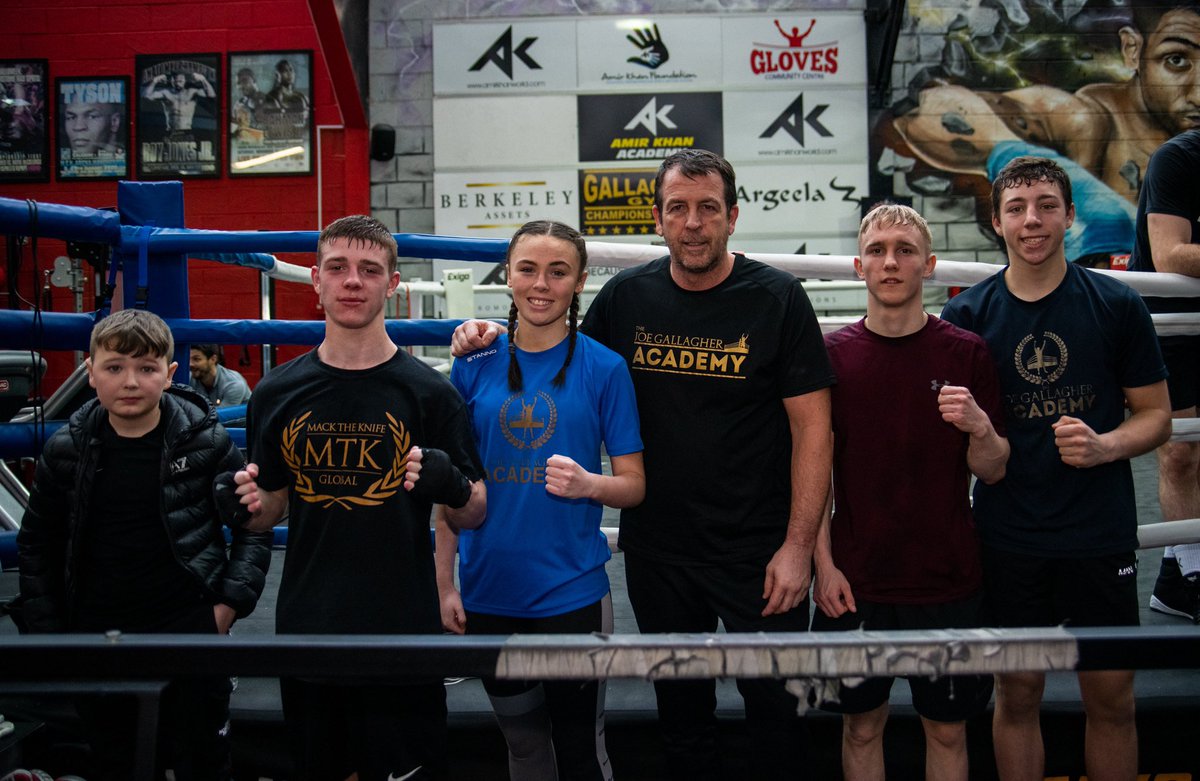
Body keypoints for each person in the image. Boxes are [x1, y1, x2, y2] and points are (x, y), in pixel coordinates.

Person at [452, 149, 835, 780]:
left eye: (708, 208)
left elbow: (814, 429)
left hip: (758, 552)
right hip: (660, 551)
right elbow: (552, 348)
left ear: (732, 217)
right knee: (682, 722)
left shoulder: (777, 299)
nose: (693, 223)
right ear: (658, 218)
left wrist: (799, 547)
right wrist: (486, 335)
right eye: (678, 208)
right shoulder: (628, 297)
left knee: (778, 716)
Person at [231, 214, 487, 781]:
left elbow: (474, 511)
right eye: (338, 269)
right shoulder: (276, 392)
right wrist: (246, 506)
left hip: (403, 627)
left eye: (369, 270)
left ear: (392, 284)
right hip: (309, 623)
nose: (353, 281)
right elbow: (270, 509)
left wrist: (451, 483)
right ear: (316, 281)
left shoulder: (429, 392)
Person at [941, 156, 1172, 781]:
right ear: (997, 222)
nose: (1032, 220)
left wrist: (1106, 446)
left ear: (1071, 215)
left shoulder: (1117, 305)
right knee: (1016, 697)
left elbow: (1156, 416)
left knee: (1112, 701)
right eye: (1016, 209)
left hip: (1098, 533)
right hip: (1009, 536)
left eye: (1046, 205)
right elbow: (950, 442)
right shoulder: (968, 319)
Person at [16, 308, 272, 780]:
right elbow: (37, 543)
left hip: (188, 623)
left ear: (169, 374)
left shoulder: (205, 439)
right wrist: (53, 633)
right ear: (90, 373)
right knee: (118, 761)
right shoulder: (66, 448)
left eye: (146, 368)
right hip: (98, 631)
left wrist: (227, 606)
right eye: (114, 368)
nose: (130, 381)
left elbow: (252, 525)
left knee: (204, 762)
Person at [436, 220, 645, 781]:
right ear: (508, 275)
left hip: (571, 592)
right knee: (524, 745)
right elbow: (452, 486)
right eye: (527, 268)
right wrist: (444, 583)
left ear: (579, 282)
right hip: (489, 592)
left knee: (582, 749)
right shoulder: (473, 361)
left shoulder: (605, 368)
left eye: (558, 271)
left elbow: (634, 483)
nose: (541, 284)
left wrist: (590, 485)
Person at [812, 203, 1008, 781]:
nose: (890, 262)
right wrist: (823, 565)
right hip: (856, 580)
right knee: (861, 725)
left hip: (947, 578)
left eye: (904, 250)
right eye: (877, 251)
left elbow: (994, 470)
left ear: (929, 264)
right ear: (858, 266)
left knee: (947, 731)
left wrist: (980, 425)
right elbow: (812, 478)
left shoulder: (965, 353)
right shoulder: (832, 358)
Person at [893, 0, 1200, 209]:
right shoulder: (1086, 118)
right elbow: (931, 111)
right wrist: (1065, 180)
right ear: (1131, 49)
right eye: (1176, 60)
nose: (1198, 95)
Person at [1129, 128, 1200, 622]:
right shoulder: (1178, 158)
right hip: (1170, 322)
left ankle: (1174, 584)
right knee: (1180, 453)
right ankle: (1194, 579)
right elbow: (1169, 254)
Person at [142, 71, 215, 135]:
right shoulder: (166, 93)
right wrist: (155, 80)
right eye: (175, 81)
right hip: (170, 132)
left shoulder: (192, 92)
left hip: (187, 131)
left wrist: (203, 79)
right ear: (171, 81)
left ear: (184, 81)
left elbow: (211, 95)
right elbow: (146, 95)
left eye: (180, 81)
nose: (177, 83)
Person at [188, 343, 252, 409]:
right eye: (189, 359)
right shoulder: (190, 377)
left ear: (213, 359)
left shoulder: (234, 384)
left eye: (196, 359)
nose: (190, 364)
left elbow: (221, 416)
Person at [261, 59, 310, 140]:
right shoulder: (272, 96)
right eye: (285, 71)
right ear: (278, 75)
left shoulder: (302, 97)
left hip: (300, 139)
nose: (289, 73)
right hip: (281, 141)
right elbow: (273, 124)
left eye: (291, 70)